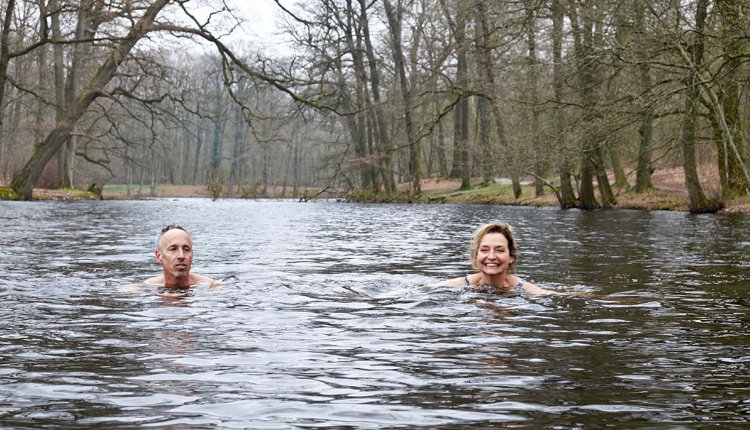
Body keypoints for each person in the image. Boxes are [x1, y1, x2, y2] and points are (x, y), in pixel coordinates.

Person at [436, 222, 559, 295]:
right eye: (484, 250)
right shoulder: (457, 286)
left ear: (511, 257)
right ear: (476, 255)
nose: (491, 257)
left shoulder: (524, 289)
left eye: (499, 250)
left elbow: (550, 295)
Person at [144, 224, 219, 289]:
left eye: (186, 249)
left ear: (192, 256)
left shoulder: (212, 286)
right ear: (159, 256)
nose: (181, 256)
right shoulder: (146, 287)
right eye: (173, 249)